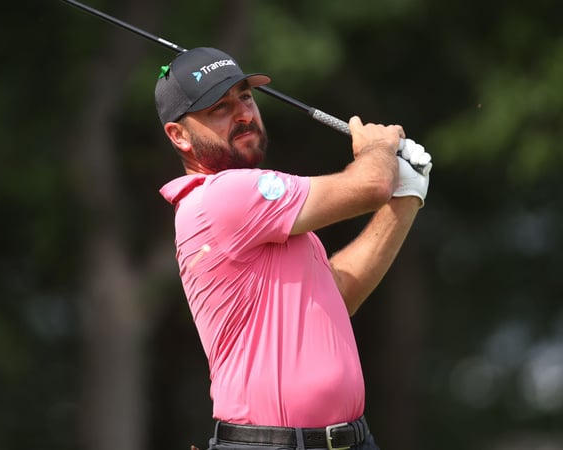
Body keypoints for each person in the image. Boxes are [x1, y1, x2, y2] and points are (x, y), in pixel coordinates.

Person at [155, 47, 432, 450]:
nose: (244, 113)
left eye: (245, 97)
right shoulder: (219, 197)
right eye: (220, 108)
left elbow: (338, 295)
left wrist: (407, 196)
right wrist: (378, 148)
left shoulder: (271, 222)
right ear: (179, 136)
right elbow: (371, 186)